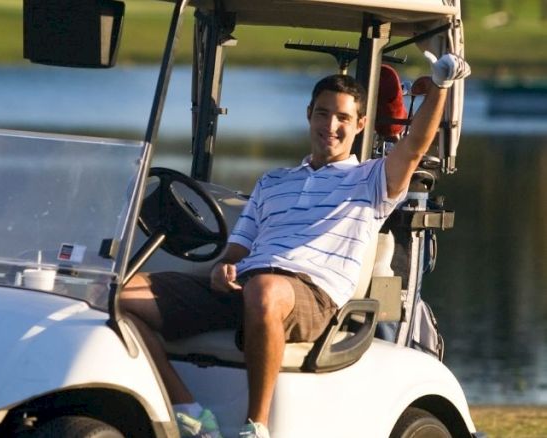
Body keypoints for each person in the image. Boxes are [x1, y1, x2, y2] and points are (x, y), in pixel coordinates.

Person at [120, 52, 470, 438]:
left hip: (312, 296)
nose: (331, 126)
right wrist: (225, 268)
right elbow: (238, 248)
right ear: (309, 115)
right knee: (116, 300)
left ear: (360, 124)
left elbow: (416, 146)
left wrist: (440, 86)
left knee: (266, 291)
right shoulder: (274, 181)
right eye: (322, 114)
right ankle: (188, 411)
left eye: (342, 118)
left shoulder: (371, 180)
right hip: (248, 287)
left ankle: (256, 427)